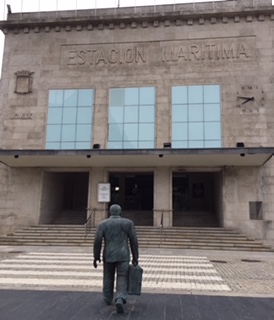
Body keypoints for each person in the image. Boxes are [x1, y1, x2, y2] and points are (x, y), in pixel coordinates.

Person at [93, 204, 139, 314]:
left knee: (108, 276)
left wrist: (96, 256)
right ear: (120, 212)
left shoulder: (102, 224)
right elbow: (134, 241)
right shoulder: (128, 223)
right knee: (122, 277)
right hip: (123, 255)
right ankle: (120, 298)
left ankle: (108, 298)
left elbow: (97, 241)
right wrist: (135, 257)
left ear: (110, 212)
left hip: (108, 254)